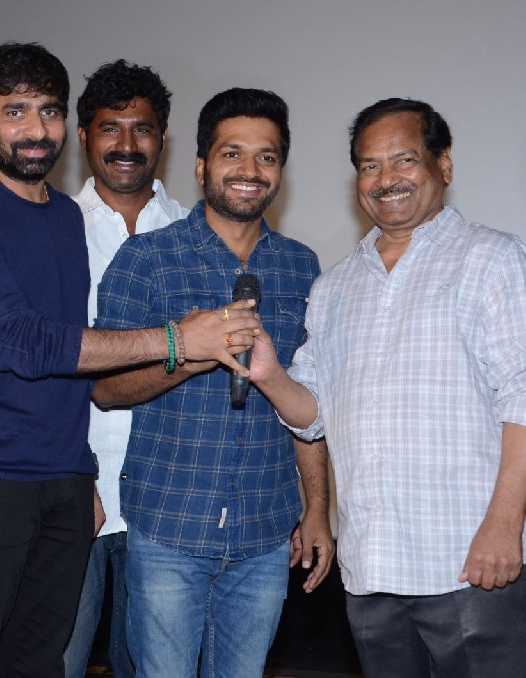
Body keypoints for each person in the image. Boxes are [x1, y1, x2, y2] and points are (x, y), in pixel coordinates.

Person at [0, 43, 262, 678]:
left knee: (40, 665)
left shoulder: (62, 219)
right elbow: (22, 343)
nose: (35, 129)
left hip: (69, 483)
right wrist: (176, 340)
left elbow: (68, 373)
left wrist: (82, 478)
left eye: (47, 111)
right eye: (14, 112)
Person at [254, 98, 526, 677]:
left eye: (404, 160)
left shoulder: (493, 258)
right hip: (371, 571)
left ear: (442, 164)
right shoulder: (334, 287)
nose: (386, 178)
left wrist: (504, 525)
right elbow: (314, 415)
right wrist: (269, 374)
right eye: (369, 165)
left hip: (469, 563)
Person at [93, 88, 335, 678]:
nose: (249, 170)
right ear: (202, 166)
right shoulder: (147, 258)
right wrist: (191, 353)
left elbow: (310, 402)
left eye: (266, 157)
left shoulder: (303, 267)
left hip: (267, 532)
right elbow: (104, 390)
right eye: (232, 154)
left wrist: (317, 509)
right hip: (169, 527)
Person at [63, 59, 189, 678]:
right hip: (72, 490)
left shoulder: (194, 232)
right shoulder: (54, 228)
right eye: (110, 128)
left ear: (162, 138)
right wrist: (70, 475)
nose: (127, 144)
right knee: (57, 660)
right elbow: (46, 361)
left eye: (142, 128)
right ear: (83, 136)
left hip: (169, 499)